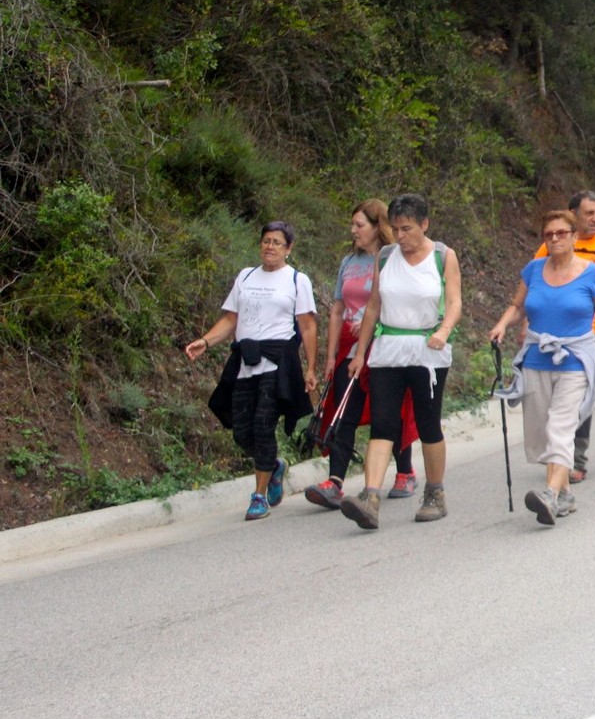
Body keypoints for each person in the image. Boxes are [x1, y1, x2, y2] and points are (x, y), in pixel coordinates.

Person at [489, 210, 595, 525]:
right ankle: (565, 494)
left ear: (573, 236)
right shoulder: (533, 269)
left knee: (561, 428)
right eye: (549, 234)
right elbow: (518, 306)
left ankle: (550, 495)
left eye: (561, 233)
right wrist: (502, 324)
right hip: (536, 358)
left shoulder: (593, 274)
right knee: (543, 433)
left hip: (576, 359)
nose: (555, 239)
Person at [339, 194, 462, 530]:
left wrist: (444, 330)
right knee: (382, 424)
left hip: (427, 351)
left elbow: (454, 302)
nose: (400, 236)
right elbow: (374, 306)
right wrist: (360, 353)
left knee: (428, 424)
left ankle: (435, 493)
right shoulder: (385, 256)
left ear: (425, 224)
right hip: (388, 350)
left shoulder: (442, 256)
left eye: (407, 228)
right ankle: (370, 497)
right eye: (395, 229)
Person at [186, 221, 317, 521]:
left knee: (263, 426)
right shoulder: (246, 276)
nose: (270, 247)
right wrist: (205, 341)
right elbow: (231, 319)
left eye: (277, 242)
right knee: (242, 432)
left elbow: (308, 326)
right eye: (266, 241)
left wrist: (311, 368)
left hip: (277, 363)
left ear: (289, 248)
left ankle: (259, 496)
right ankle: (274, 466)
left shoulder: (297, 280)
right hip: (245, 360)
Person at [304, 200, 422, 509]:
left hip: (384, 344)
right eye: (352, 224)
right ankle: (335, 481)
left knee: (389, 409)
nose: (353, 230)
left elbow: (403, 301)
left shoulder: (394, 259)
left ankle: (405, 471)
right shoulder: (348, 262)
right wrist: (330, 356)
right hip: (350, 346)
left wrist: (373, 324)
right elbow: (337, 310)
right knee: (344, 409)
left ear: (376, 227)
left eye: (359, 225)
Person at [534, 190, 595, 483]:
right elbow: (535, 282)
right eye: (590, 213)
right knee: (553, 395)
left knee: (579, 393)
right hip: (552, 330)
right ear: (573, 215)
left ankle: (576, 459)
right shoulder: (552, 243)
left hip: (592, 332)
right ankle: (557, 453)